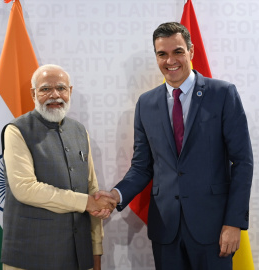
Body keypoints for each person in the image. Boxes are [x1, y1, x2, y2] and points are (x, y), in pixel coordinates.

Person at [95, 22, 253, 269]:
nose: (171, 60)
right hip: (166, 231)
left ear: (191, 52)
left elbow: (243, 161)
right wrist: (116, 194)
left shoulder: (222, 94)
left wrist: (234, 223)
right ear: (156, 57)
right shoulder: (145, 104)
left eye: (178, 51)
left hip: (214, 230)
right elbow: (142, 167)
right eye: (162, 54)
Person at [1, 64, 116, 270]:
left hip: (79, 258)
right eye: (46, 89)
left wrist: (96, 249)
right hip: (30, 257)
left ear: (69, 92)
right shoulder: (16, 131)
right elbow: (25, 189)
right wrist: (87, 202)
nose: (55, 95)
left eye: (61, 88)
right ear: (33, 94)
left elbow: (92, 190)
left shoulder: (80, 131)